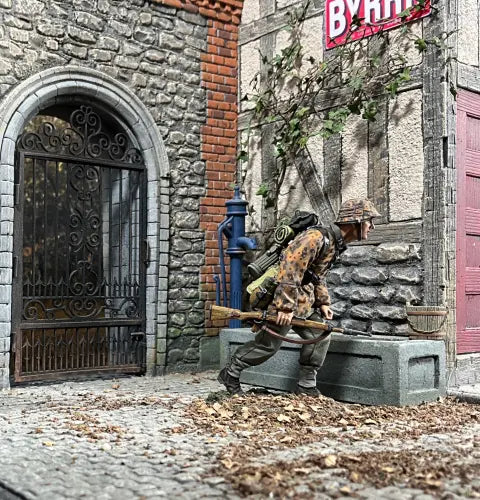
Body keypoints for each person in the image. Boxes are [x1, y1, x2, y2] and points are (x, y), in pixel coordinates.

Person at [217, 198, 380, 396]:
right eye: (369, 220)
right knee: (267, 346)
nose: (372, 226)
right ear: (354, 221)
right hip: (282, 299)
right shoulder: (315, 237)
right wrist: (284, 307)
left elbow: (317, 276)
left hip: (304, 302)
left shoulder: (334, 243)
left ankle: (306, 385)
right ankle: (231, 373)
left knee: (319, 337)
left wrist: (323, 302)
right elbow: (290, 268)